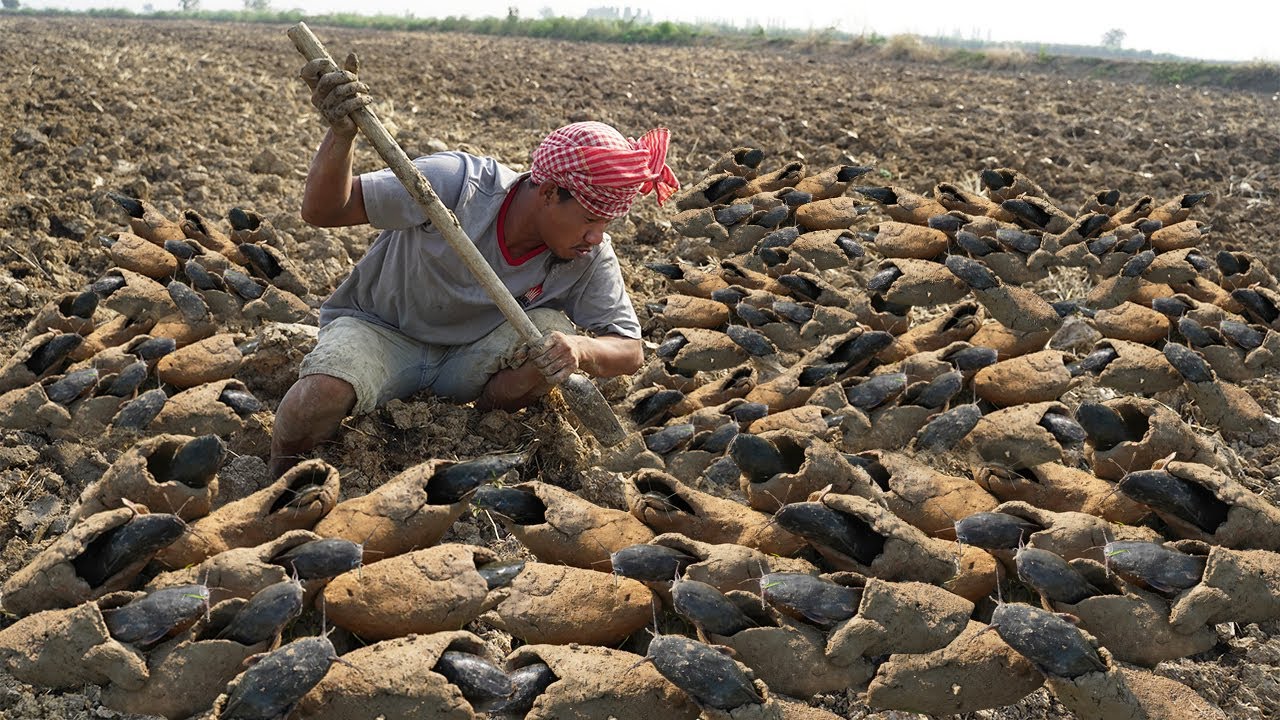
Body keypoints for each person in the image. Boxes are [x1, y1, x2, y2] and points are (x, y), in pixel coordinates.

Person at [268, 52, 679, 478]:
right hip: (381, 332)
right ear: (550, 192)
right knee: (312, 403)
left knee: (550, 331)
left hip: (471, 363)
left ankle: (472, 429)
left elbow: (629, 350)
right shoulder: (455, 184)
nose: (597, 236)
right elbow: (324, 211)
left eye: (606, 224)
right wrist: (341, 136)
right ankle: (275, 488)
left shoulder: (589, 253)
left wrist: (582, 350)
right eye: (591, 219)